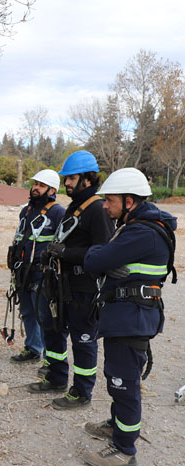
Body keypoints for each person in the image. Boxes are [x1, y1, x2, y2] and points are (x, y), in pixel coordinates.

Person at [82, 168, 176, 466]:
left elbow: (94, 260)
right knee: (117, 378)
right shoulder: (136, 226)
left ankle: (124, 450)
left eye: (109, 200)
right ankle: (116, 425)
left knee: (124, 384)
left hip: (131, 318)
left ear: (130, 201)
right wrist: (109, 256)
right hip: (126, 316)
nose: (105, 206)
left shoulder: (142, 232)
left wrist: (102, 253)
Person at [28, 150, 114, 410]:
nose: (66, 183)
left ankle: (82, 391)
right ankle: (56, 377)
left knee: (82, 340)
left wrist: (67, 253)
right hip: (61, 284)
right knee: (54, 331)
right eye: (66, 178)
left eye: (72, 178)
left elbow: (103, 252)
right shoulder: (75, 207)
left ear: (88, 179)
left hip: (83, 288)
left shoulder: (97, 210)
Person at [8, 170, 65, 364]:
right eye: (35, 184)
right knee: (27, 312)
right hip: (23, 271)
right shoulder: (25, 211)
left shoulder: (58, 212)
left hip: (42, 273)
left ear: (52, 190)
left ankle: (50, 359)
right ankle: (32, 348)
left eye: (41, 185)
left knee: (44, 315)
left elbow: (62, 242)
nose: (35, 188)